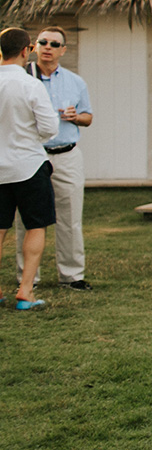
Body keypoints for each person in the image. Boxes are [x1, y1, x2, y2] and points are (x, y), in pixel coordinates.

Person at [19, 26, 93, 291]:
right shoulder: (24, 79)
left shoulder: (75, 82)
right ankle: (28, 278)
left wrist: (76, 117)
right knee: (28, 219)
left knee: (70, 216)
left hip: (66, 155)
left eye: (54, 43)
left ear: (63, 50)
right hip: (32, 155)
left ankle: (72, 276)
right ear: (34, 47)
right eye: (43, 42)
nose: (47, 47)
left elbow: (88, 117)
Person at [0, 27, 58, 310]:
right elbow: (49, 127)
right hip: (29, 166)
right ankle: (25, 291)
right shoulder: (31, 85)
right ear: (27, 50)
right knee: (35, 226)